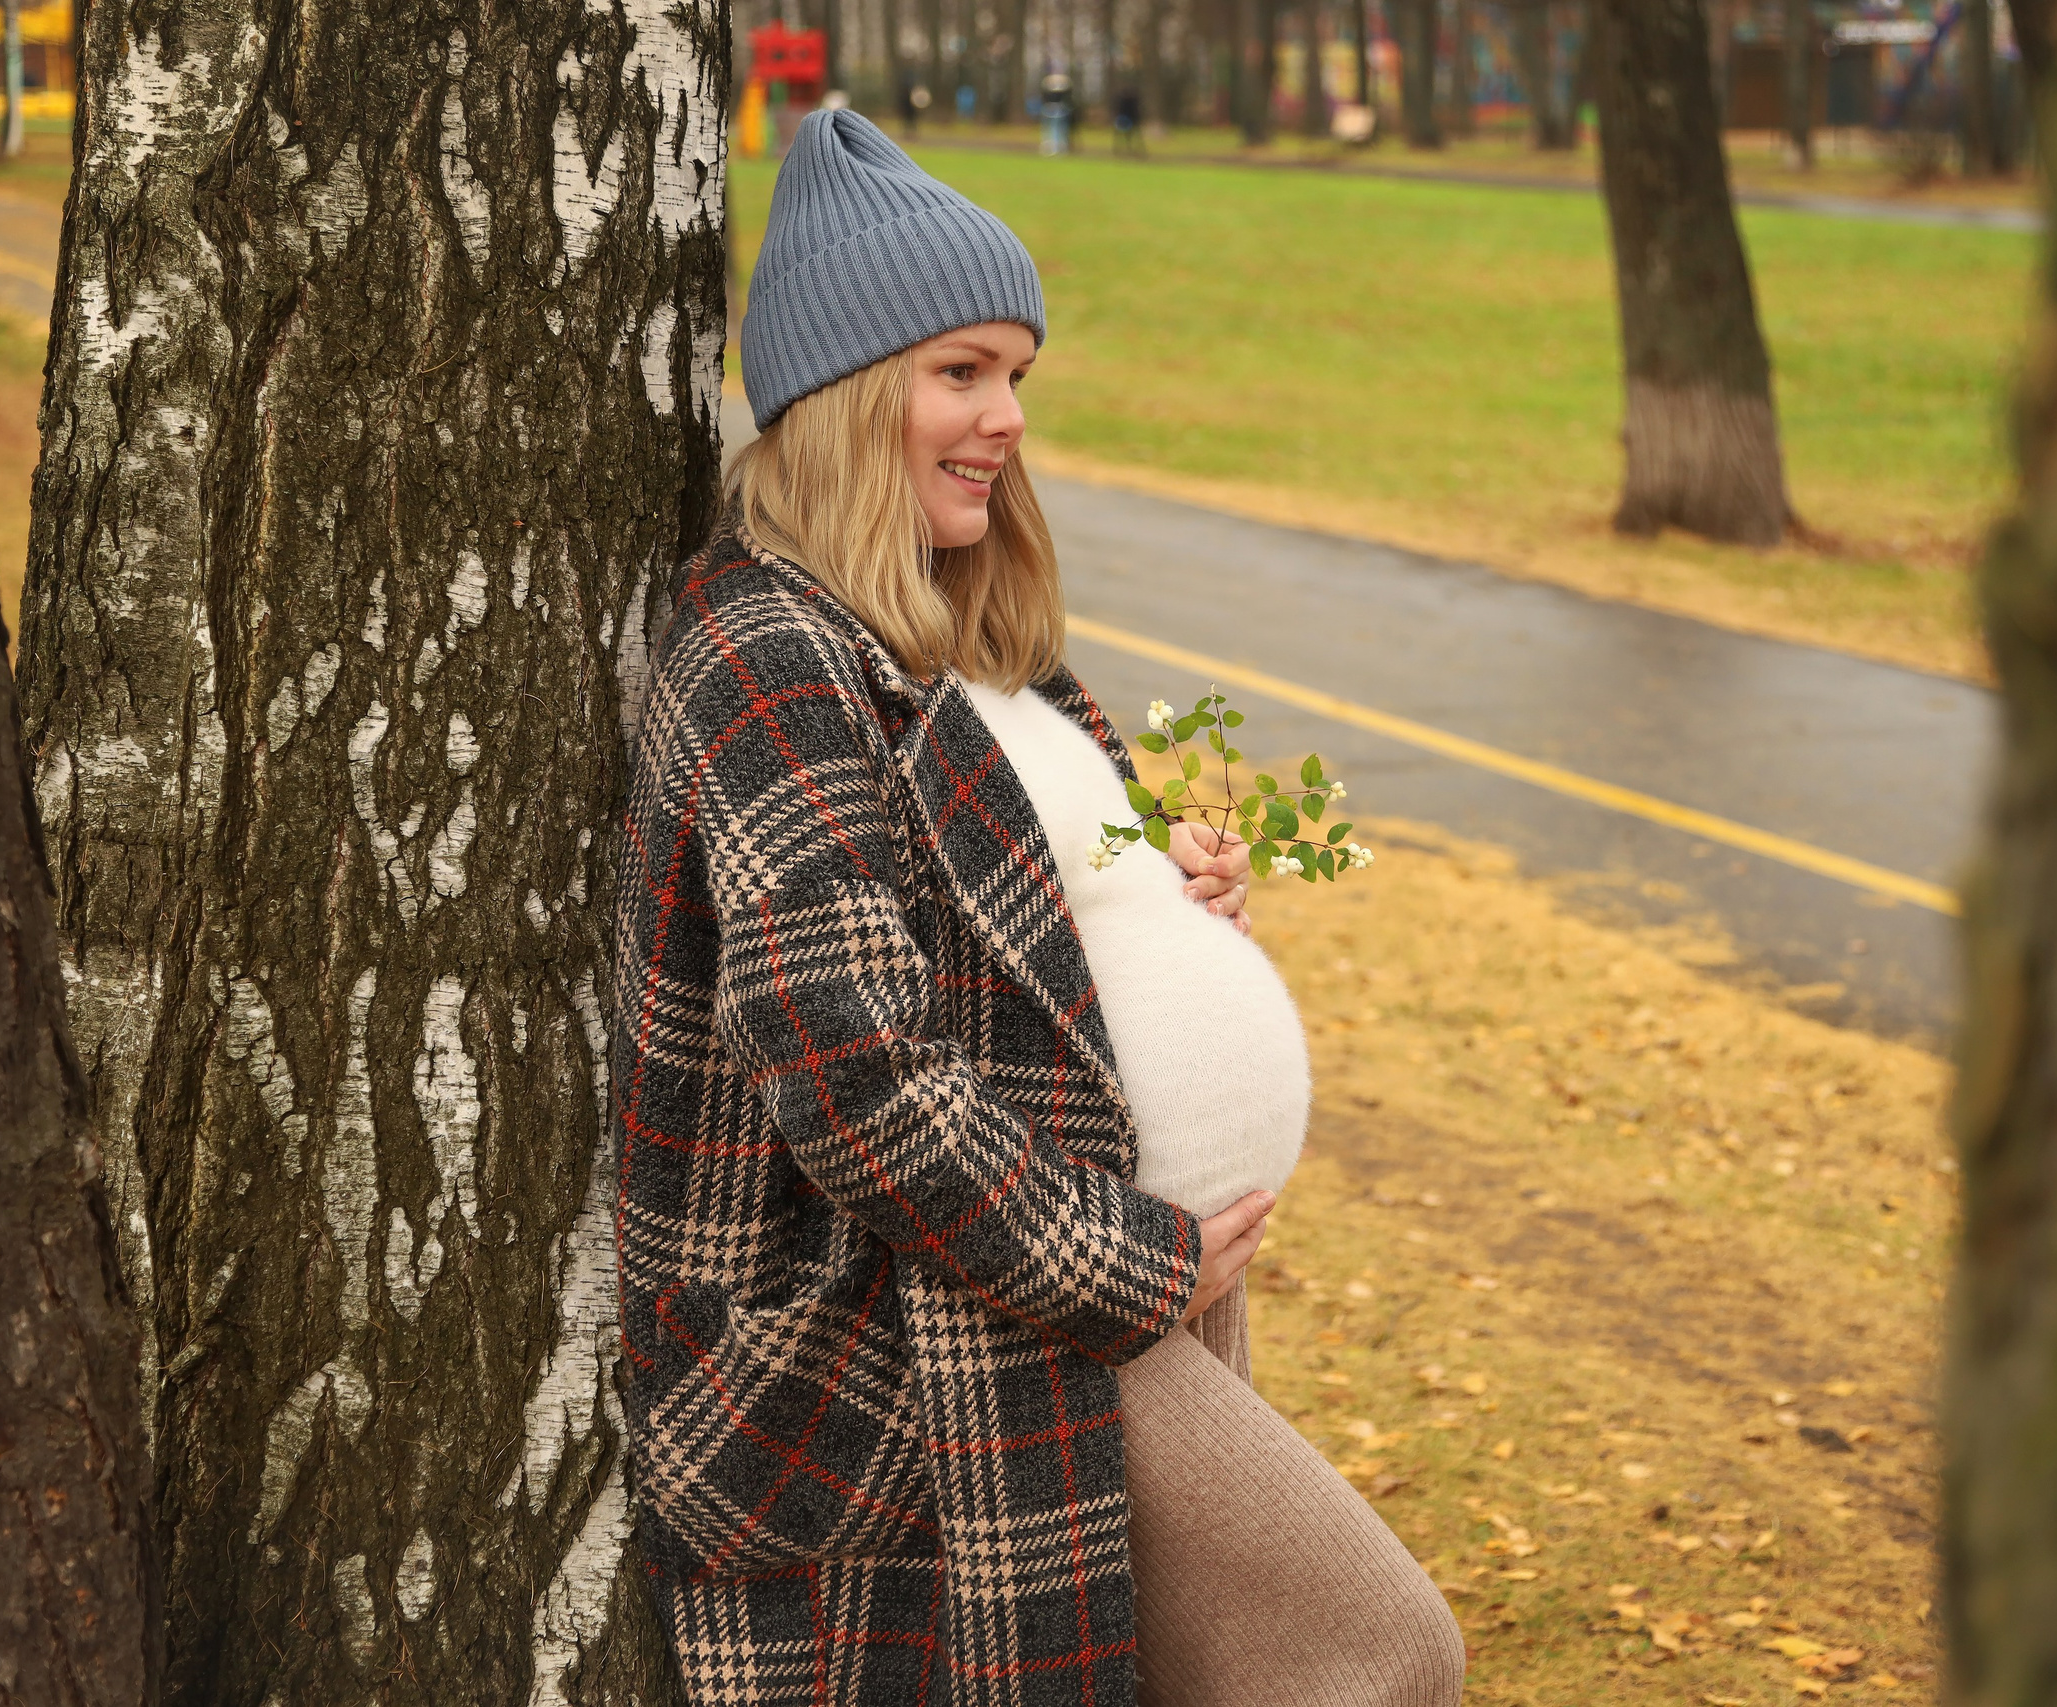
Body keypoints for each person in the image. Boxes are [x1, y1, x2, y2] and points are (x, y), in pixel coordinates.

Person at [612, 108, 1466, 1707]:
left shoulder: (987, 639)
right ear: (847, 395)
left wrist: (1171, 896)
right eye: (962, 372)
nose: (1006, 419)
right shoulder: (767, 662)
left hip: (1092, 1276)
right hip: (912, 1324)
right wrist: (1132, 1264)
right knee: (1379, 1655)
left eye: (1017, 374)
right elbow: (853, 1078)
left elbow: (1041, 924)